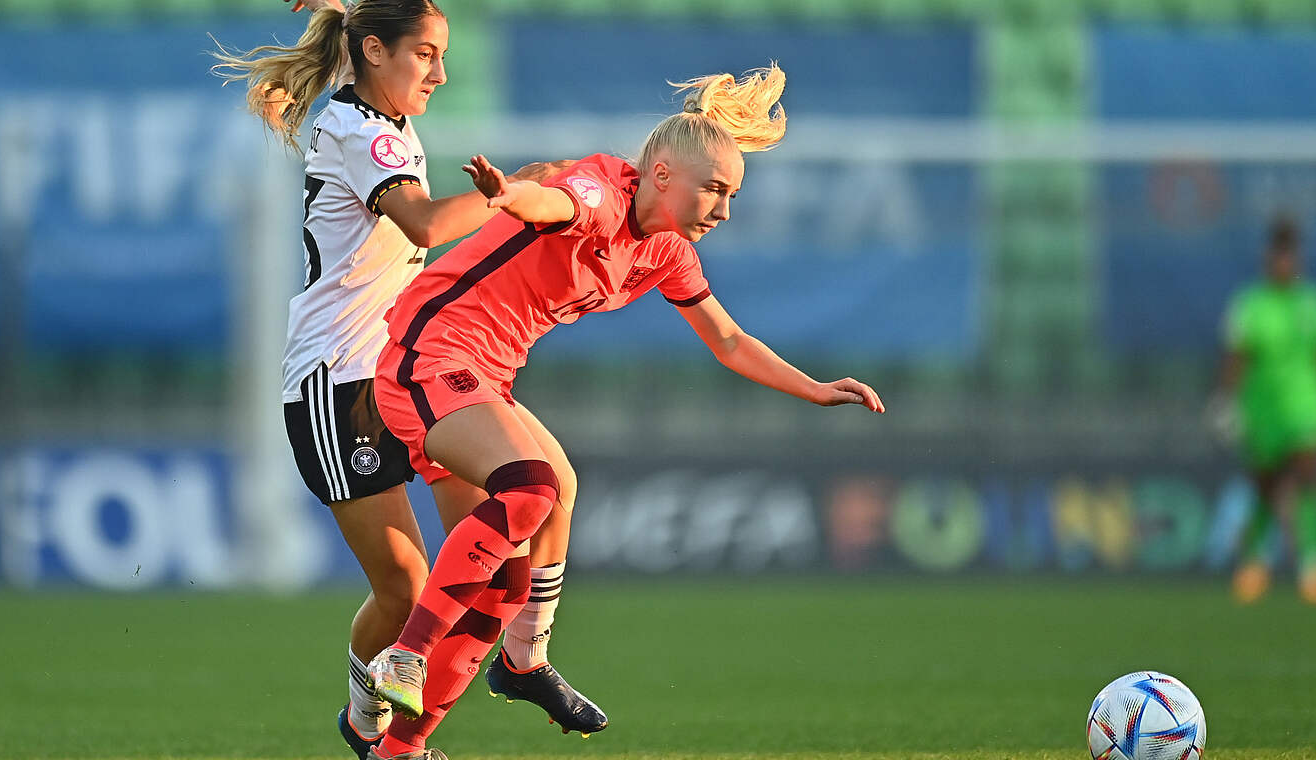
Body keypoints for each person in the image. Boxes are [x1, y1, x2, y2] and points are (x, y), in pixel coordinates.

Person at [361, 64, 885, 760]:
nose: (724, 210)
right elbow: (555, 206)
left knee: (512, 568)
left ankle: (418, 736)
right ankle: (407, 657)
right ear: (662, 175)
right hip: (426, 355)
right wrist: (512, 194)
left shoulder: (666, 249)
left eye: (731, 195)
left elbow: (727, 340)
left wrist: (815, 388)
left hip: (482, 378)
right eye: (716, 190)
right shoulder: (603, 189)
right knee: (534, 488)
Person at [209, 2, 605, 757]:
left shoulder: (382, 120)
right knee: (406, 586)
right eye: (425, 53)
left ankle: (523, 661)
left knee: (516, 520)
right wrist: (510, 190)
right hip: (339, 383)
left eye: (441, 54)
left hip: (410, 371)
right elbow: (424, 224)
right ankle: (367, 726)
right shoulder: (356, 129)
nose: (440, 72)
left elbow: (374, 35)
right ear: (374, 52)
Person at [1216, 215, 1316, 604]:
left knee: (1310, 475)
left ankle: (1313, 565)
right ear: (1268, 258)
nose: (1284, 263)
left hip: (1308, 405)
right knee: (1266, 486)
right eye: (1278, 256)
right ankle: (1255, 563)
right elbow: (1236, 357)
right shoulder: (1250, 304)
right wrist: (1226, 401)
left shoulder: (1315, 302)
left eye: (1290, 256)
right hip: (1263, 410)